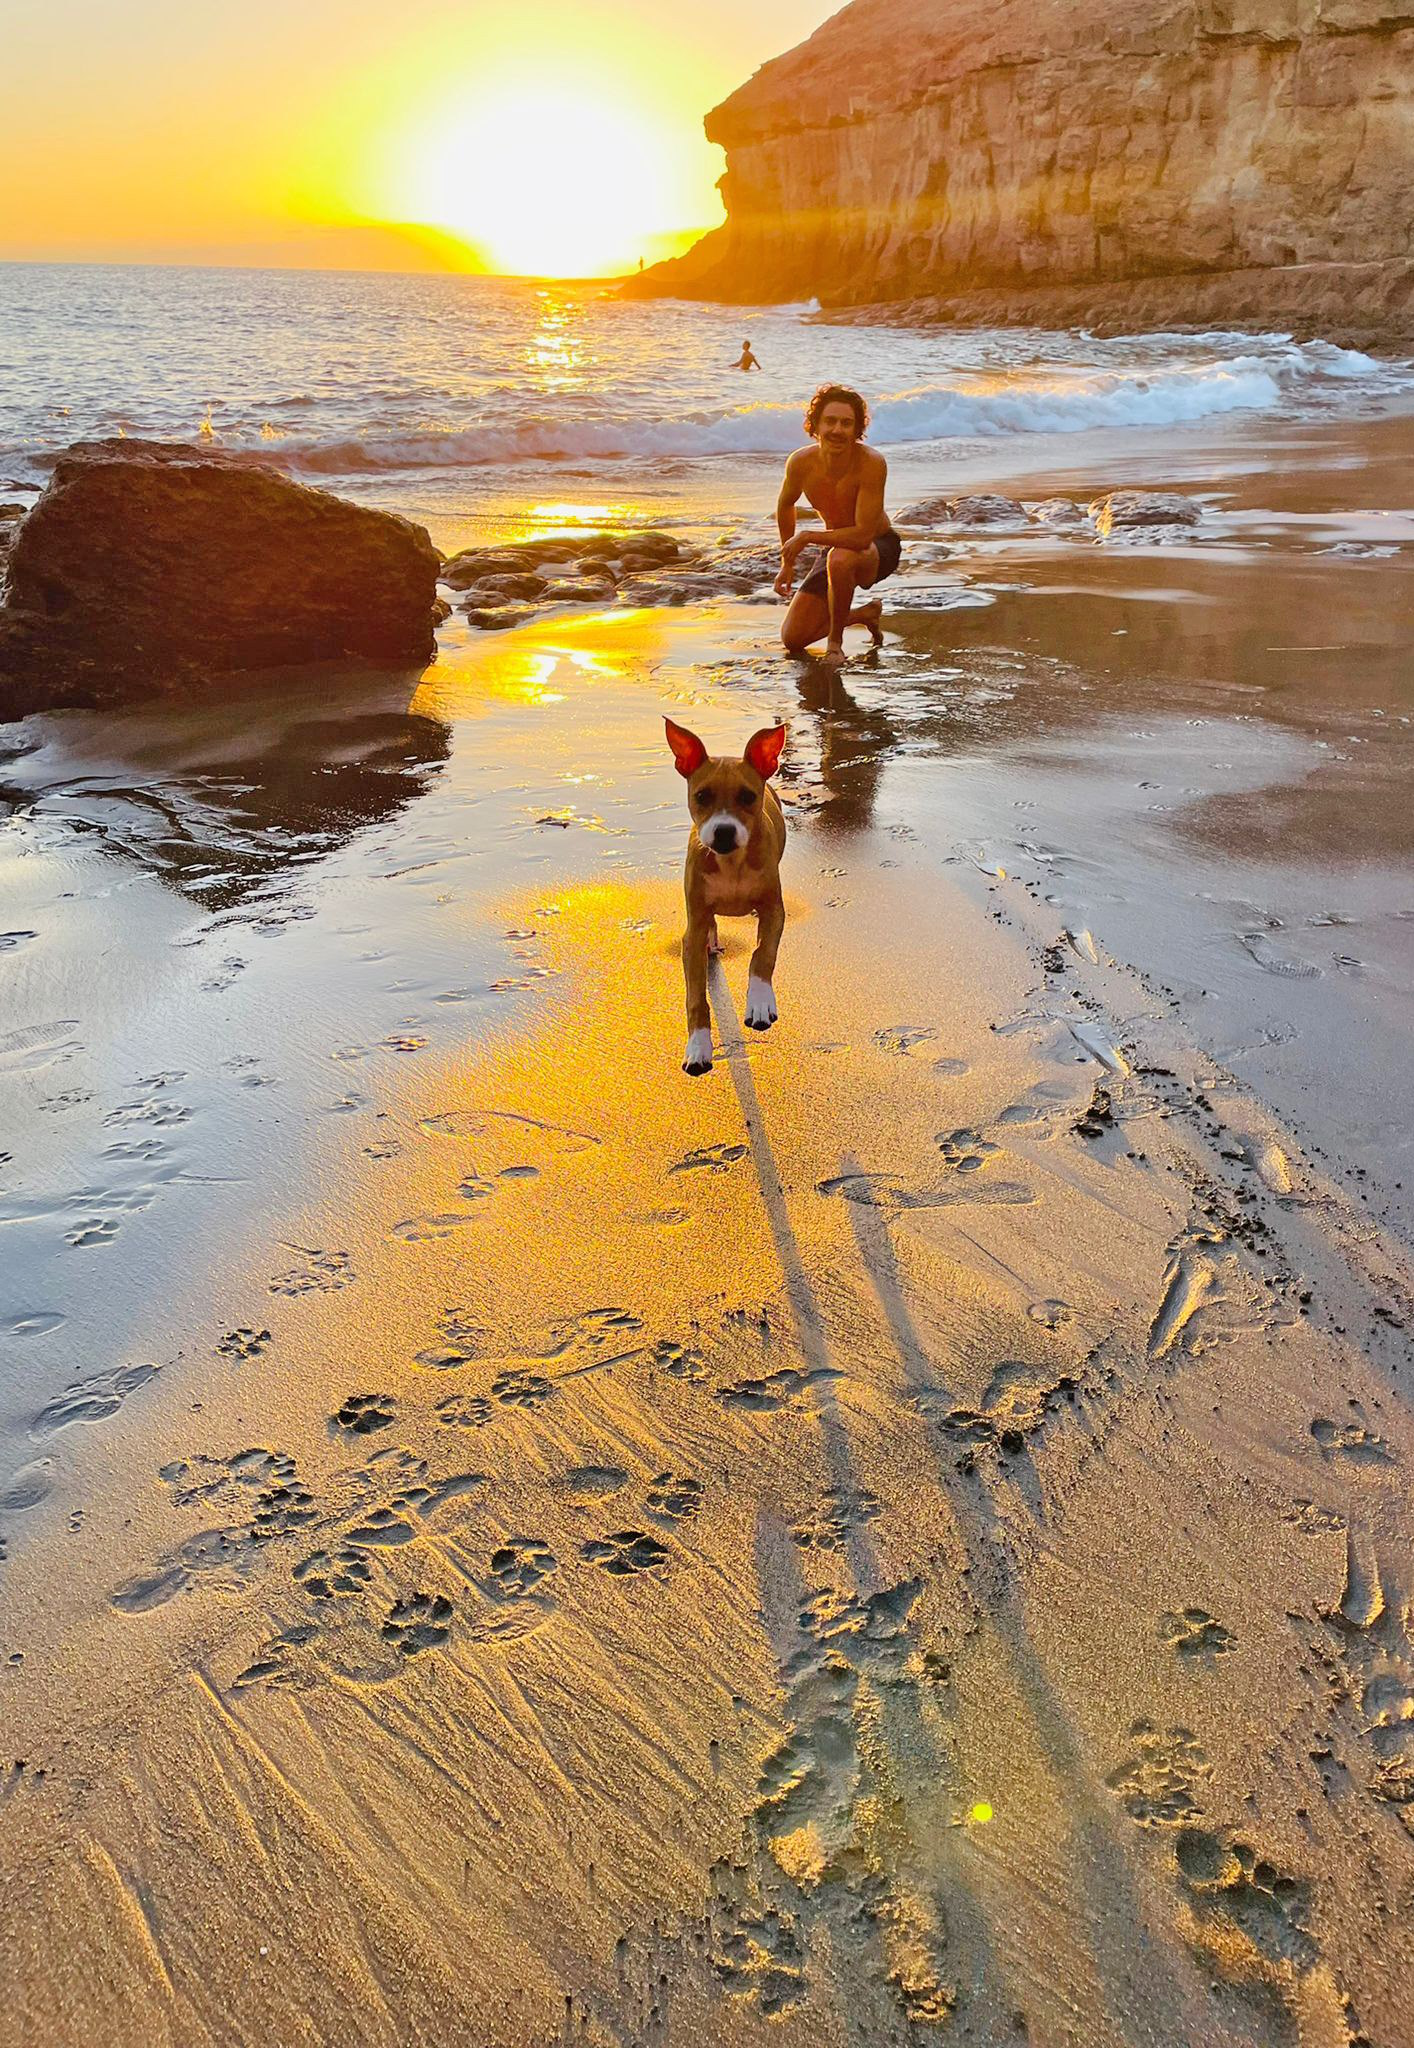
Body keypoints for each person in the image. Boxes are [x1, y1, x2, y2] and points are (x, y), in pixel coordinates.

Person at [775, 383, 899, 665]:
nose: (837, 430)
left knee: (840, 558)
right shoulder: (800, 462)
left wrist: (806, 536)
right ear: (815, 425)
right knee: (792, 638)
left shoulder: (871, 462)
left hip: (877, 548)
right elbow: (785, 505)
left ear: (857, 431)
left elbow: (861, 536)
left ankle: (835, 645)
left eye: (847, 423)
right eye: (830, 421)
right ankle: (863, 614)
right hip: (833, 548)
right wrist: (787, 562)